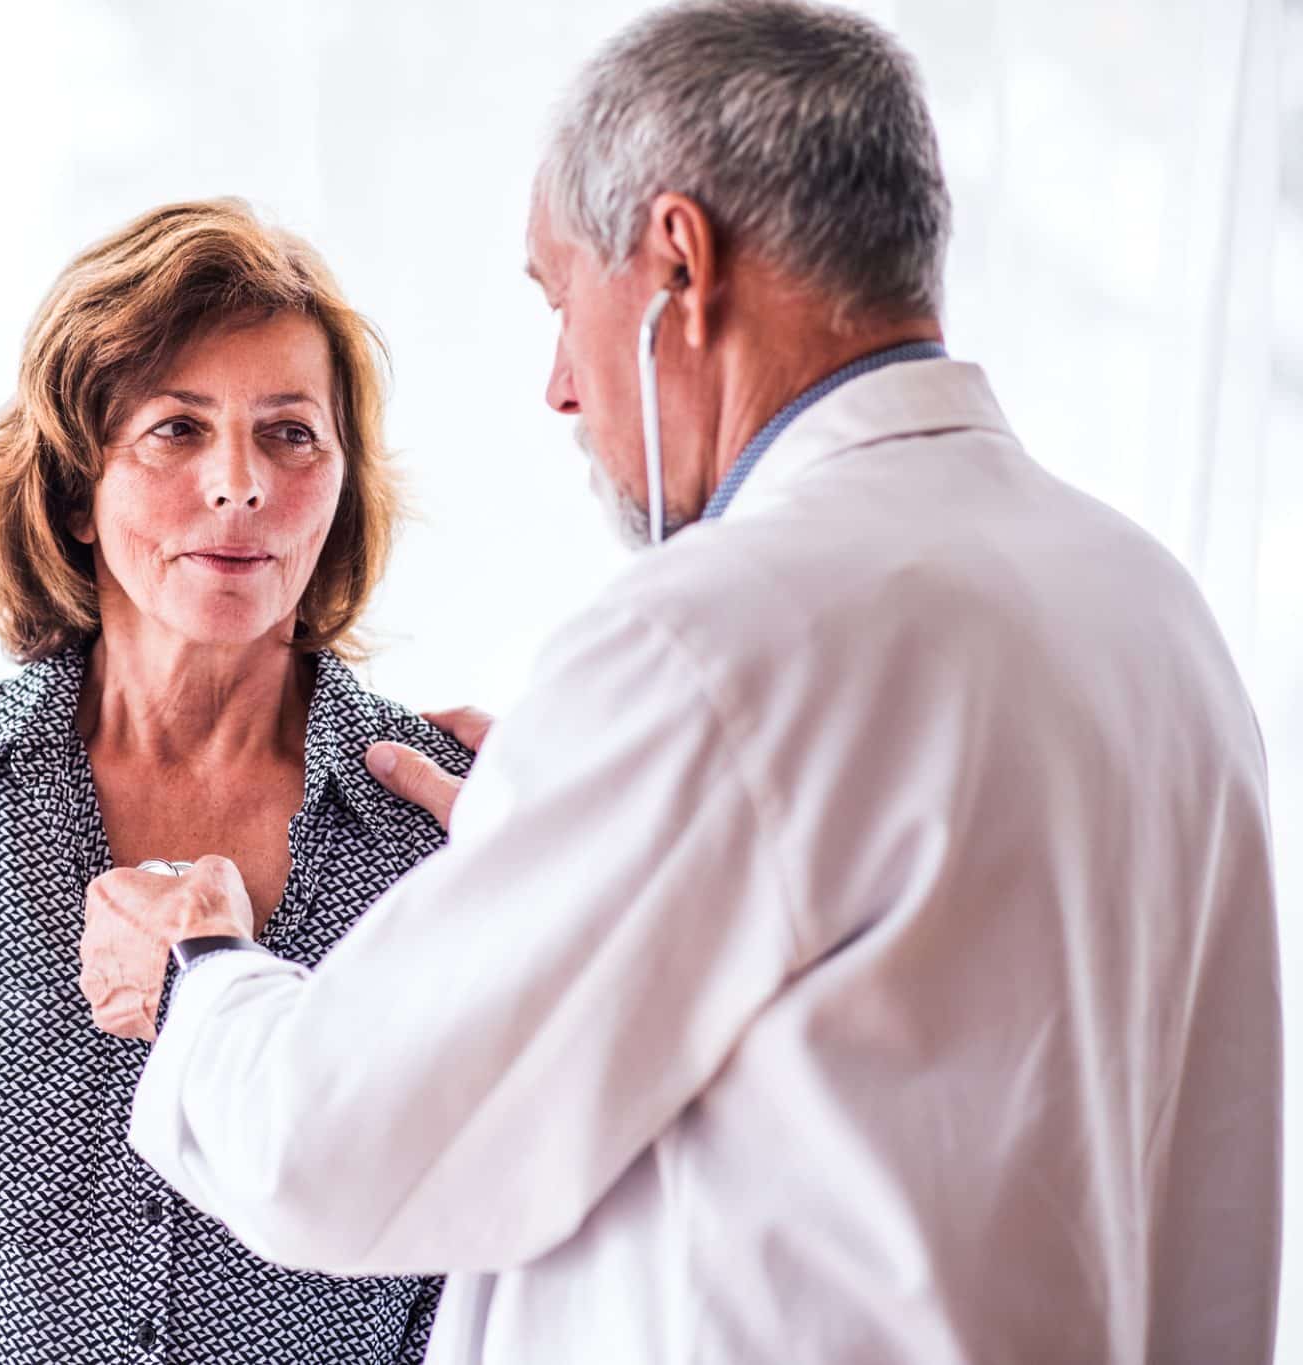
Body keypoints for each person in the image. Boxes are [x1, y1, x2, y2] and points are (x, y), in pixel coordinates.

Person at [77, 3, 1283, 1362]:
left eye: (557, 298)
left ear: (677, 262)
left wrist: (199, 971)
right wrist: (574, 839)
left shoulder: (715, 643)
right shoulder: (1147, 610)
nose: (557, 388)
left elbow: (332, 1146)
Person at [0, 198, 468, 1363]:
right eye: (175, 430)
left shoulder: (440, 833)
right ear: (77, 489)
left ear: (339, 488)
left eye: (290, 433)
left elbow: (484, 1273)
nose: (238, 483)